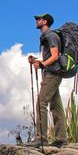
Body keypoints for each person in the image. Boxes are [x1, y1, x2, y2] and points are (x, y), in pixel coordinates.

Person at [27, 13, 67, 148]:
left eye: (39, 19)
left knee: (41, 103)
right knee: (56, 106)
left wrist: (42, 64)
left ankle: (41, 138)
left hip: (52, 75)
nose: (37, 21)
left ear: (45, 22)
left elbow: (55, 56)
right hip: (52, 73)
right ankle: (61, 139)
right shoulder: (46, 36)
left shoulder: (51, 36)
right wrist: (37, 61)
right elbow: (50, 58)